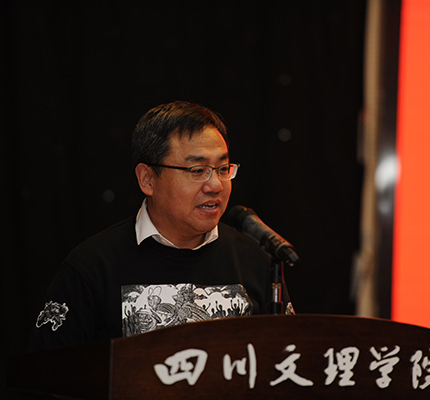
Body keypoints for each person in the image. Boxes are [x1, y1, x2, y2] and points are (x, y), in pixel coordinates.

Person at [29, 101, 293, 351]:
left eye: (223, 169)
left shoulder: (256, 260)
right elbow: (47, 373)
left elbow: (290, 361)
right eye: (197, 170)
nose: (215, 185)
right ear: (147, 179)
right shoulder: (92, 267)